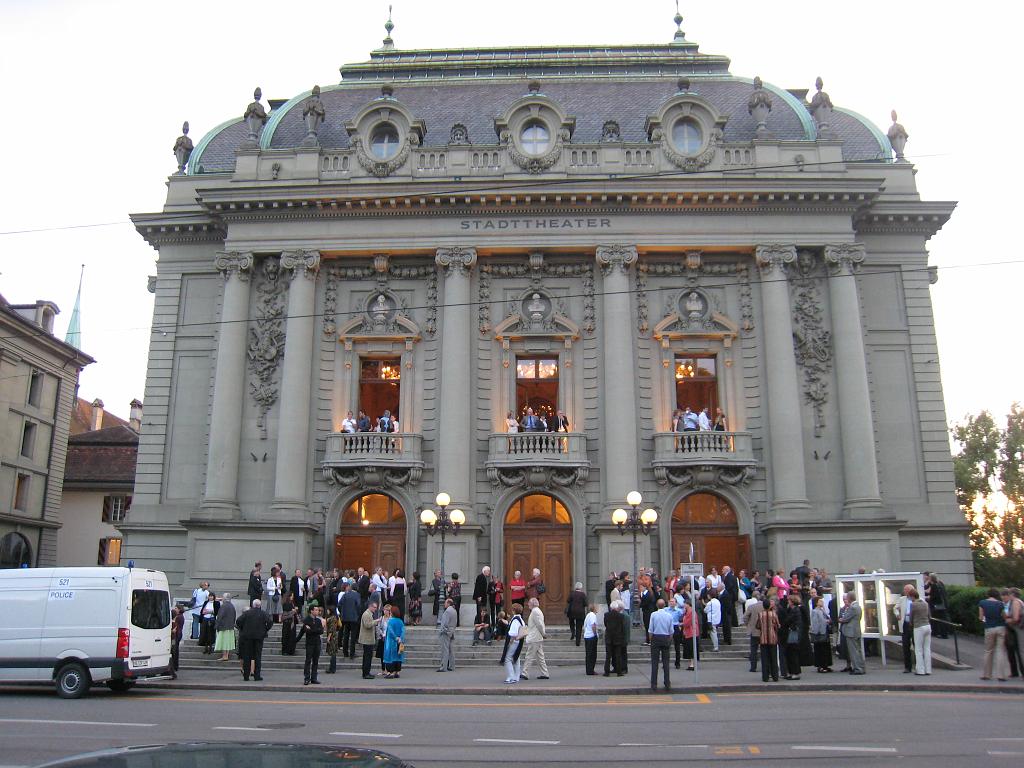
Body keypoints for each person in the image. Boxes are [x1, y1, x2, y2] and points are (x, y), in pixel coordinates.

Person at [236, 598, 272, 681]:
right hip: (259, 637)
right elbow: (270, 622)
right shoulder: (263, 613)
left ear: (253, 605)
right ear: (260, 605)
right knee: (257, 656)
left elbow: (238, 621)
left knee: (247, 656)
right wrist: (265, 630)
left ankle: (246, 676)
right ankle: (257, 675)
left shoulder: (247, 613)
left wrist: (243, 629)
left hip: (248, 637)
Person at [979, 588, 1009, 681]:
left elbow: (981, 617)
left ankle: (986, 674)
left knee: (988, 651)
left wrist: (985, 621)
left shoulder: (982, 603)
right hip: (1000, 627)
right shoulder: (1000, 604)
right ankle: (1001, 675)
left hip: (989, 628)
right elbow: (1004, 616)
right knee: (1000, 651)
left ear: (988, 594)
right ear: (997, 595)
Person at [648, 598, 674, 690]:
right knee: (666, 662)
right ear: (664, 605)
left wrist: (651, 640)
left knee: (654, 662)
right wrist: (669, 640)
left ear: (657, 605)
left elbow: (651, 629)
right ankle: (667, 682)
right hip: (665, 637)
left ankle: (654, 683)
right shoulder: (669, 615)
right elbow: (671, 631)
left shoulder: (653, 615)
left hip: (656, 637)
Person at [296, 605, 325, 685]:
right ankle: (307, 678)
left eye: (318, 610)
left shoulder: (318, 620)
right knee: (308, 660)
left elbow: (321, 631)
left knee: (316, 661)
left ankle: (314, 678)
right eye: (316, 610)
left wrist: (312, 629)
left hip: (317, 643)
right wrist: (314, 630)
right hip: (310, 643)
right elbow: (306, 631)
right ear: (311, 611)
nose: (317, 611)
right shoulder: (306, 620)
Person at [521, 597, 549, 680]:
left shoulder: (535, 612)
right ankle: (545, 673)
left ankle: (525, 673)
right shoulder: (537, 611)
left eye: (529, 603)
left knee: (529, 656)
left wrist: (543, 634)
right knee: (540, 657)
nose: (528, 604)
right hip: (537, 637)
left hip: (534, 637)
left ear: (532, 604)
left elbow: (539, 624)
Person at [838, 592, 865, 675]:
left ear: (849, 598)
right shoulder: (858, 606)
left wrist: (841, 619)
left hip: (851, 632)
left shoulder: (852, 607)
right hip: (856, 631)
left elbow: (845, 618)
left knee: (853, 652)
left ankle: (858, 668)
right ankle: (861, 667)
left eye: (847, 598)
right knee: (858, 650)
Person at [908, 588, 932, 675]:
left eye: (909, 597)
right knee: (927, 649)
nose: (909, 599)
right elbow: (929, 616)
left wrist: (911, 623)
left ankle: (920, 670)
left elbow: (911, 617)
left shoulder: (913, 605)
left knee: (918, 649)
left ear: (912, 596)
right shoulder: (925, 604)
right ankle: (928, 669)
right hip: (927, 626)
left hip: (918, 627)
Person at [756, 598, 781, 683]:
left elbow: (758, 625)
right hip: (772, 638)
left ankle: (765, 677)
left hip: (763, 638)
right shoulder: (773, 614)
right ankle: (775, 676)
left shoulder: (760, 614)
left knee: (764, 658)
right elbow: (777, 625)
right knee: (773, 658)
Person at [781, 594, 803, 680]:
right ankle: (792, 672)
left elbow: (788, 620)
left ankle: (795, 673)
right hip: (793, 632)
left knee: (793, 654)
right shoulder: (793, 609)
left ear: (792, 602)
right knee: (791, 654)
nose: (788, 602)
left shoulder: (795, 610)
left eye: (789, 601)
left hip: (793, 633)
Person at [503, 603, 526, 683]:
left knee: (508, 658)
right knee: (516, 658)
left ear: (514, 610)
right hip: (519, 641)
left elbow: (513, 633)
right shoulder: (521, 619)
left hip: (514, 641)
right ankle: (516, 676)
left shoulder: (515, 620)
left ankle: (511, 677)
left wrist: (510, 642)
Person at [603, 600, 627, 676]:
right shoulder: (621, 616)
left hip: (609, 637)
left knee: (608, 656)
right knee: (618, 655)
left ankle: (606, 671)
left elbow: (605, 624)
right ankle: (619, 672)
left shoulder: (606, 615)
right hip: (618, 638)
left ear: (611, 607)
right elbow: (622, 627)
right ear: (617, 608)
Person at [810, 595, 832, 673]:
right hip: (820, 633)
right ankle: (821, 666)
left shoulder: (822, 610)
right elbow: (816, 623)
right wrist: (826, 622)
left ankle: (826, 665)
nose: (822, 602)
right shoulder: (815, 611)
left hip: (825, 632)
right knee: (820, 650)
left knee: (825, 649)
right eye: (820, 601)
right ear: (816, 603)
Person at [743, 591, 764, 673]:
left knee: (753, 650)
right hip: (763, 631)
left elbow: (745, 617)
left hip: (754, 631)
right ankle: (765, 666)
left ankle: (753, 667)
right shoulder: (766, 606)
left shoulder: (752, 607)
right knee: (764, 650)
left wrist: (748, 625)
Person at [339, 581, 361, 659]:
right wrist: (358, 614)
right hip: (354, 618)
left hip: (345, 618)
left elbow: (339, 604)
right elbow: (358, 605)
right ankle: (352, 653)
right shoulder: (357, 595)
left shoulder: (345, 594)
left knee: (346, 635)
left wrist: (342, 613)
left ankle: (345, 652)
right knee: (353, 636)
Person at [383, 606, 405, 678]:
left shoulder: (390, 621)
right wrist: (400, 638)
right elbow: (403, 631)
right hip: (399, 642)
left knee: (390, 656)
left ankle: (391, 672)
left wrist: (395, 638)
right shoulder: (400, 621)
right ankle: (397, 671)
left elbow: (390, 631)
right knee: (398, 656)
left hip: (391, 642)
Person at [214, 592, 237, 662]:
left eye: (223, 597)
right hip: (230, 626)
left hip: (223, 626)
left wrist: (216, 625)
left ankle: (224, 656)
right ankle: (226, 655)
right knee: (228, 642)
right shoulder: (232, 606)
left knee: (224, 641)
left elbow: (220, 616)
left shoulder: (223, 606)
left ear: (224, 598)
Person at [358, 600, 378, 679]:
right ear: (370, 606)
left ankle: (367, 672)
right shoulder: (366, 614)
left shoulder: (369, 614)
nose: (375, 609)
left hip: (368, 639)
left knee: (368, 656)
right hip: (367, 639)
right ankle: (366, 673)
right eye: (374, 607)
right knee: (367, 657)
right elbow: (367, 625)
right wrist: (376, 621)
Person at [437, 598, 457, 672]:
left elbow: (445, 623)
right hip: (452, 631)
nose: (444, 604)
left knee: (445, 650)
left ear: (448, 603)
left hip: (446, 632)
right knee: (451, 650)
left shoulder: (447, 611)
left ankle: (443, 667)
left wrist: (443, 631)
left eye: (445, 602)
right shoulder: (454, 611)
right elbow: (455, 622)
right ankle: (452, 666)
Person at [928, 573, 950, 638]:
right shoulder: (940, 584)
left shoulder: (934, 586)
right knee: (943, 619)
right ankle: (944, 633)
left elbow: (934, 596)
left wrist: (929, 598)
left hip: (937, 605)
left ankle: (940, 633)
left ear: (931, 578)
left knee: (938, 619)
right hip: (943, 604)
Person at [582, 603, 599, 675]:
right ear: (594, 608)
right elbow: (593, 625)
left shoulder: (588, 615)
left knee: (588, 654)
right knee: (592, 654)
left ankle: (589, 669)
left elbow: (585, 625)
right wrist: (595, 634)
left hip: (587, 636)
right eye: (597, 607)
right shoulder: (592, 615)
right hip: (591, 636)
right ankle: (590, 670)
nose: (598, 608)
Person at [324, 608, 340, 674]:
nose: (327, 611)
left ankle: (332, 668)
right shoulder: (334, 617)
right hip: (334, 636)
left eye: (328, 610)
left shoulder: (332, 618)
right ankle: (332, 668)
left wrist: (328, 637)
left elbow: (331, 628)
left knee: (333, 653)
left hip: (332, 637)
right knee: (333, 653)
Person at [170, 605, 184, 678]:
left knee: (174, 650)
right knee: (175, 650)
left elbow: (177, 628)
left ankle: (174, 666)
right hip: (177, 635)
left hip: (176, 635)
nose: (175, 609)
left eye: (176, 608)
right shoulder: (180, 617)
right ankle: (175, 666)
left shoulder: (178, 617)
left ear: (179, 609)